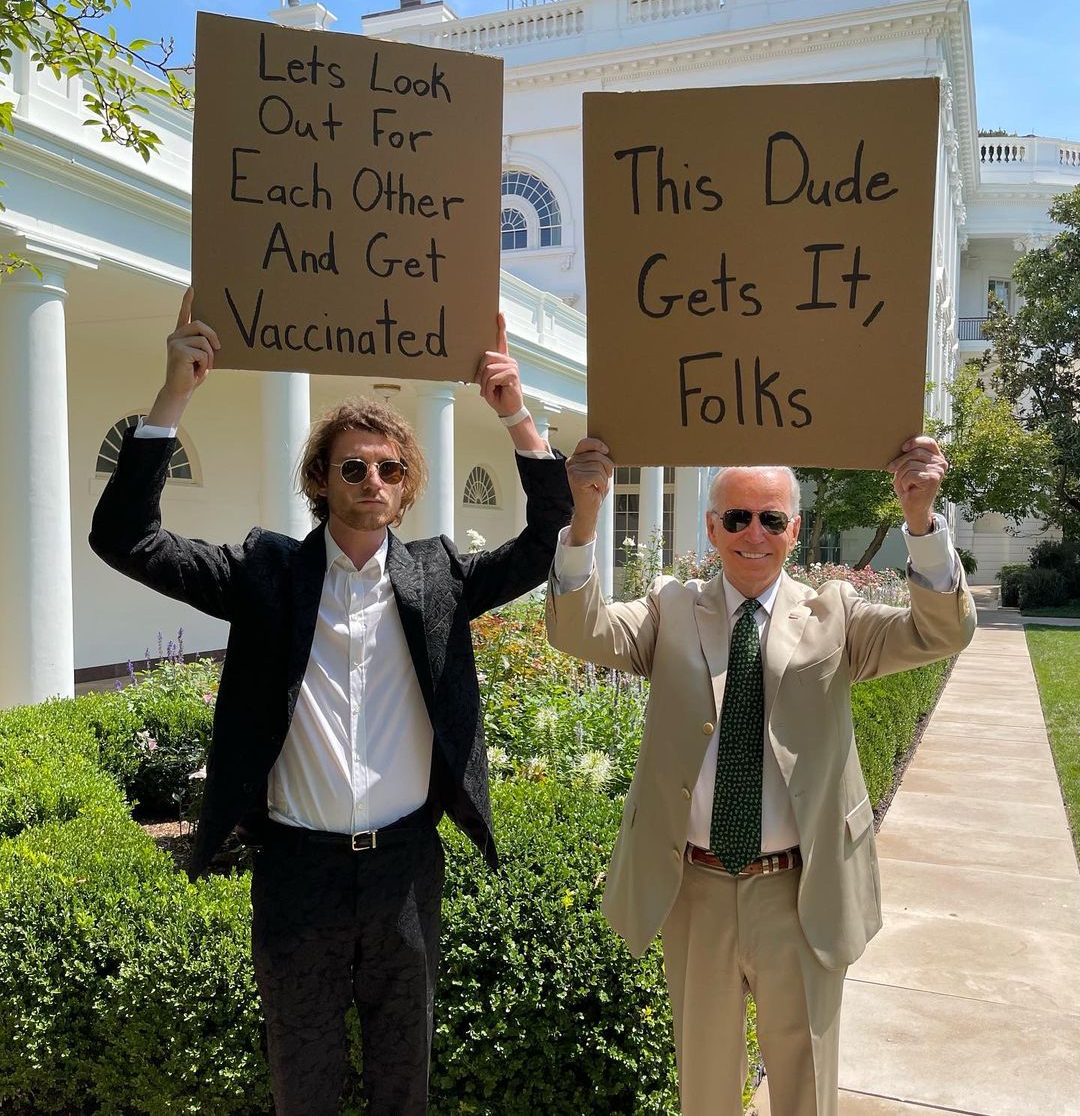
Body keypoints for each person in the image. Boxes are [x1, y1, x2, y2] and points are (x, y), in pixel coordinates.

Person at [90, 289, 572, 1116]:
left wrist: (517, 414)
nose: (373, 481)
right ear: (322, 478)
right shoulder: (266, 573)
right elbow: (124, 537)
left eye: (389, 468)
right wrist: (175, 394)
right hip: (297, 873)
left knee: (401, 1086)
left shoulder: (439, 578)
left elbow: (546, 538)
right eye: (353, 466)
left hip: (404, 872)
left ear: (407, 481)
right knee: (302, 1086)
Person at [546, 437, 975, 1116]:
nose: (754, 533)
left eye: (771, 519)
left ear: (794, 529)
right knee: (707, 1093)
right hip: (697, 888)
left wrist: (920, 521)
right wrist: (585, 519)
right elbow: (580, 631)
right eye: (737, 517)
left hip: (800, 891)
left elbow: (939, 632)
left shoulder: (836, 612)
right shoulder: (671, 608)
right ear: (710, 526)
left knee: (805, 1092)